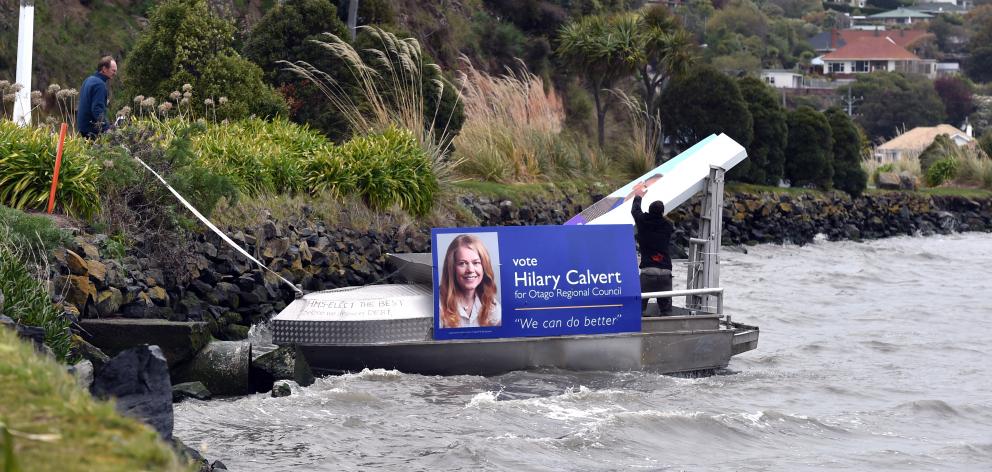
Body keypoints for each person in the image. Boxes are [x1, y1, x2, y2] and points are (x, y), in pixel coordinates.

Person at [439, 234, 501, 328]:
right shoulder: (437, 304)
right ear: (452, 268)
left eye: (476, 263)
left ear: (484, 267)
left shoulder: (492, 305)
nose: (470, 270)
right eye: (462, 263)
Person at [630, 182, 674, 316]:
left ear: (649, 210)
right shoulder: (668, 226)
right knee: (666, 311)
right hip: (666, 271)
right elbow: (664, 220)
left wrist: (638, 196)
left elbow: (635, 210)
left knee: (638, 309)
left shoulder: (643, 221)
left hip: (648, 271)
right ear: (662, 212)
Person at [567, 173, 663, 225]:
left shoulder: (643, 217)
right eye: (645, 187)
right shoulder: (610, 201)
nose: (643, 192)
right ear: (638, 184)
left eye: (648, 191)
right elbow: (578, 221)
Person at [77, 56, 117, 139]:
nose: (115, 73)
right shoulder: (100, 85)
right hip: (92, 130)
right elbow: (97, 109)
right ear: (104, 69)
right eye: (113, 70)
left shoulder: (88, 79)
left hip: (82, 128)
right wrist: (106, 128)